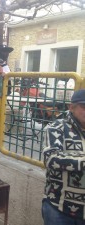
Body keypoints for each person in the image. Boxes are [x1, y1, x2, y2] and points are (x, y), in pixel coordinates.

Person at [42, 89, 85, 225]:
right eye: (84, 107)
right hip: (59, 208)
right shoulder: (56, 128)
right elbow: (51, 158)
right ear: (71, 107)